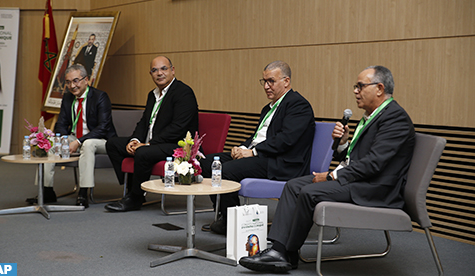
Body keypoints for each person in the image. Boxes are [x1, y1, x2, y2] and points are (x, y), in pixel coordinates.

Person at [239, 65, 416, 273]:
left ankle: (284, 252)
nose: (355, 91)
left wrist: (332, 175)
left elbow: (374, 164)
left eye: (360, 86)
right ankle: (282, 252)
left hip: (375, 188)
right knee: (294, 185)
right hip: (358, 179)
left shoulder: (395, 118)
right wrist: (342, 143)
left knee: (308, 192)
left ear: (379, 88)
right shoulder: (373, 116)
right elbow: (352, 158)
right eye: (355, 86)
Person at [201, 60, 315, 234]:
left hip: (282, 162)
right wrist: (241, 147)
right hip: (262, 155)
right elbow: (256, 137)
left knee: (226, 170)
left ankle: (232, 223)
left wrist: (253, 152)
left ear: (286, 81)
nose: (267, 86)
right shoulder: (268, 108)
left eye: (271, 81)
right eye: (264, 81)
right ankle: (224, 214)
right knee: (208, 162)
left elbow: (286, 139)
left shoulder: (298, 105)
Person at [104, 56, 199, 212]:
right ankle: (131, 189)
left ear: (173, 70)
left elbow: (178, 128)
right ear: (150, 74)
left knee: (143, 151)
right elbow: (143, 123)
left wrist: (148, 144)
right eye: (154, 70)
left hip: (177, 145)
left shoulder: (183, 93)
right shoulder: (152, 94)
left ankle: (136, 198)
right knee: (113, 144)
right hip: (153, 143)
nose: (159, 73)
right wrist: (134, 140)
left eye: (164, 69)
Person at [26, 64, 116, 208]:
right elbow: (61, 124)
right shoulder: (67, 98)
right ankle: (47, 191)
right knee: (51, 143)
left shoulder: (100, 97)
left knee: (87, 144)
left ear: (86, 80)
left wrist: (78, 142)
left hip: (101, 140)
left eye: (76, 81)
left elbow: (103, 127)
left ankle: (83, 192)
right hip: (76, 138)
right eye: (68, 82)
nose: (72, 85)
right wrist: (61, 140)